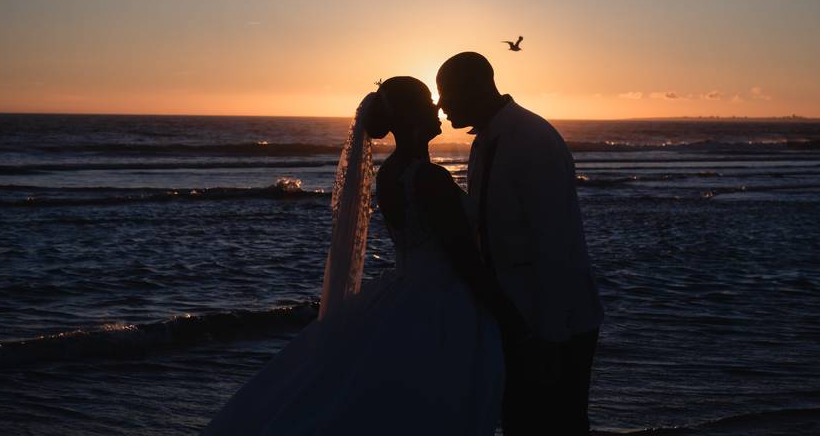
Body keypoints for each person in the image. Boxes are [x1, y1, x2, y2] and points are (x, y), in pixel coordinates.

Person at [203, 76, 511, 435]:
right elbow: (464, 258)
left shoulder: (391, 173)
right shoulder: (428, 179)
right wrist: (505, 311)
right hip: (441, 305)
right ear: (411, 114)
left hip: (406, 291)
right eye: (428, 101)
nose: (438, 107)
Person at [437, 52, 603, 436]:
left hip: (554, 322)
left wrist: (548, 338)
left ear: (476, 86)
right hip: (522, 321)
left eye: (446, 93)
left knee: (553, 423)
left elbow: (555, 243)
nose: (441, 105)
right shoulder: (488, 140)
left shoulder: (528, 140)